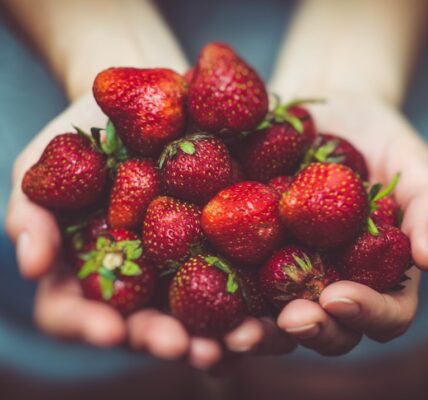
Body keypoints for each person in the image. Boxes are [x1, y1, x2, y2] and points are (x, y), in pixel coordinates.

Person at [3, 0, 428, 379]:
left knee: (335, 376)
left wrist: (349, 75)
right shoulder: (212, 182)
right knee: (105, 376)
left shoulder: (268, 190)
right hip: (50, 58)